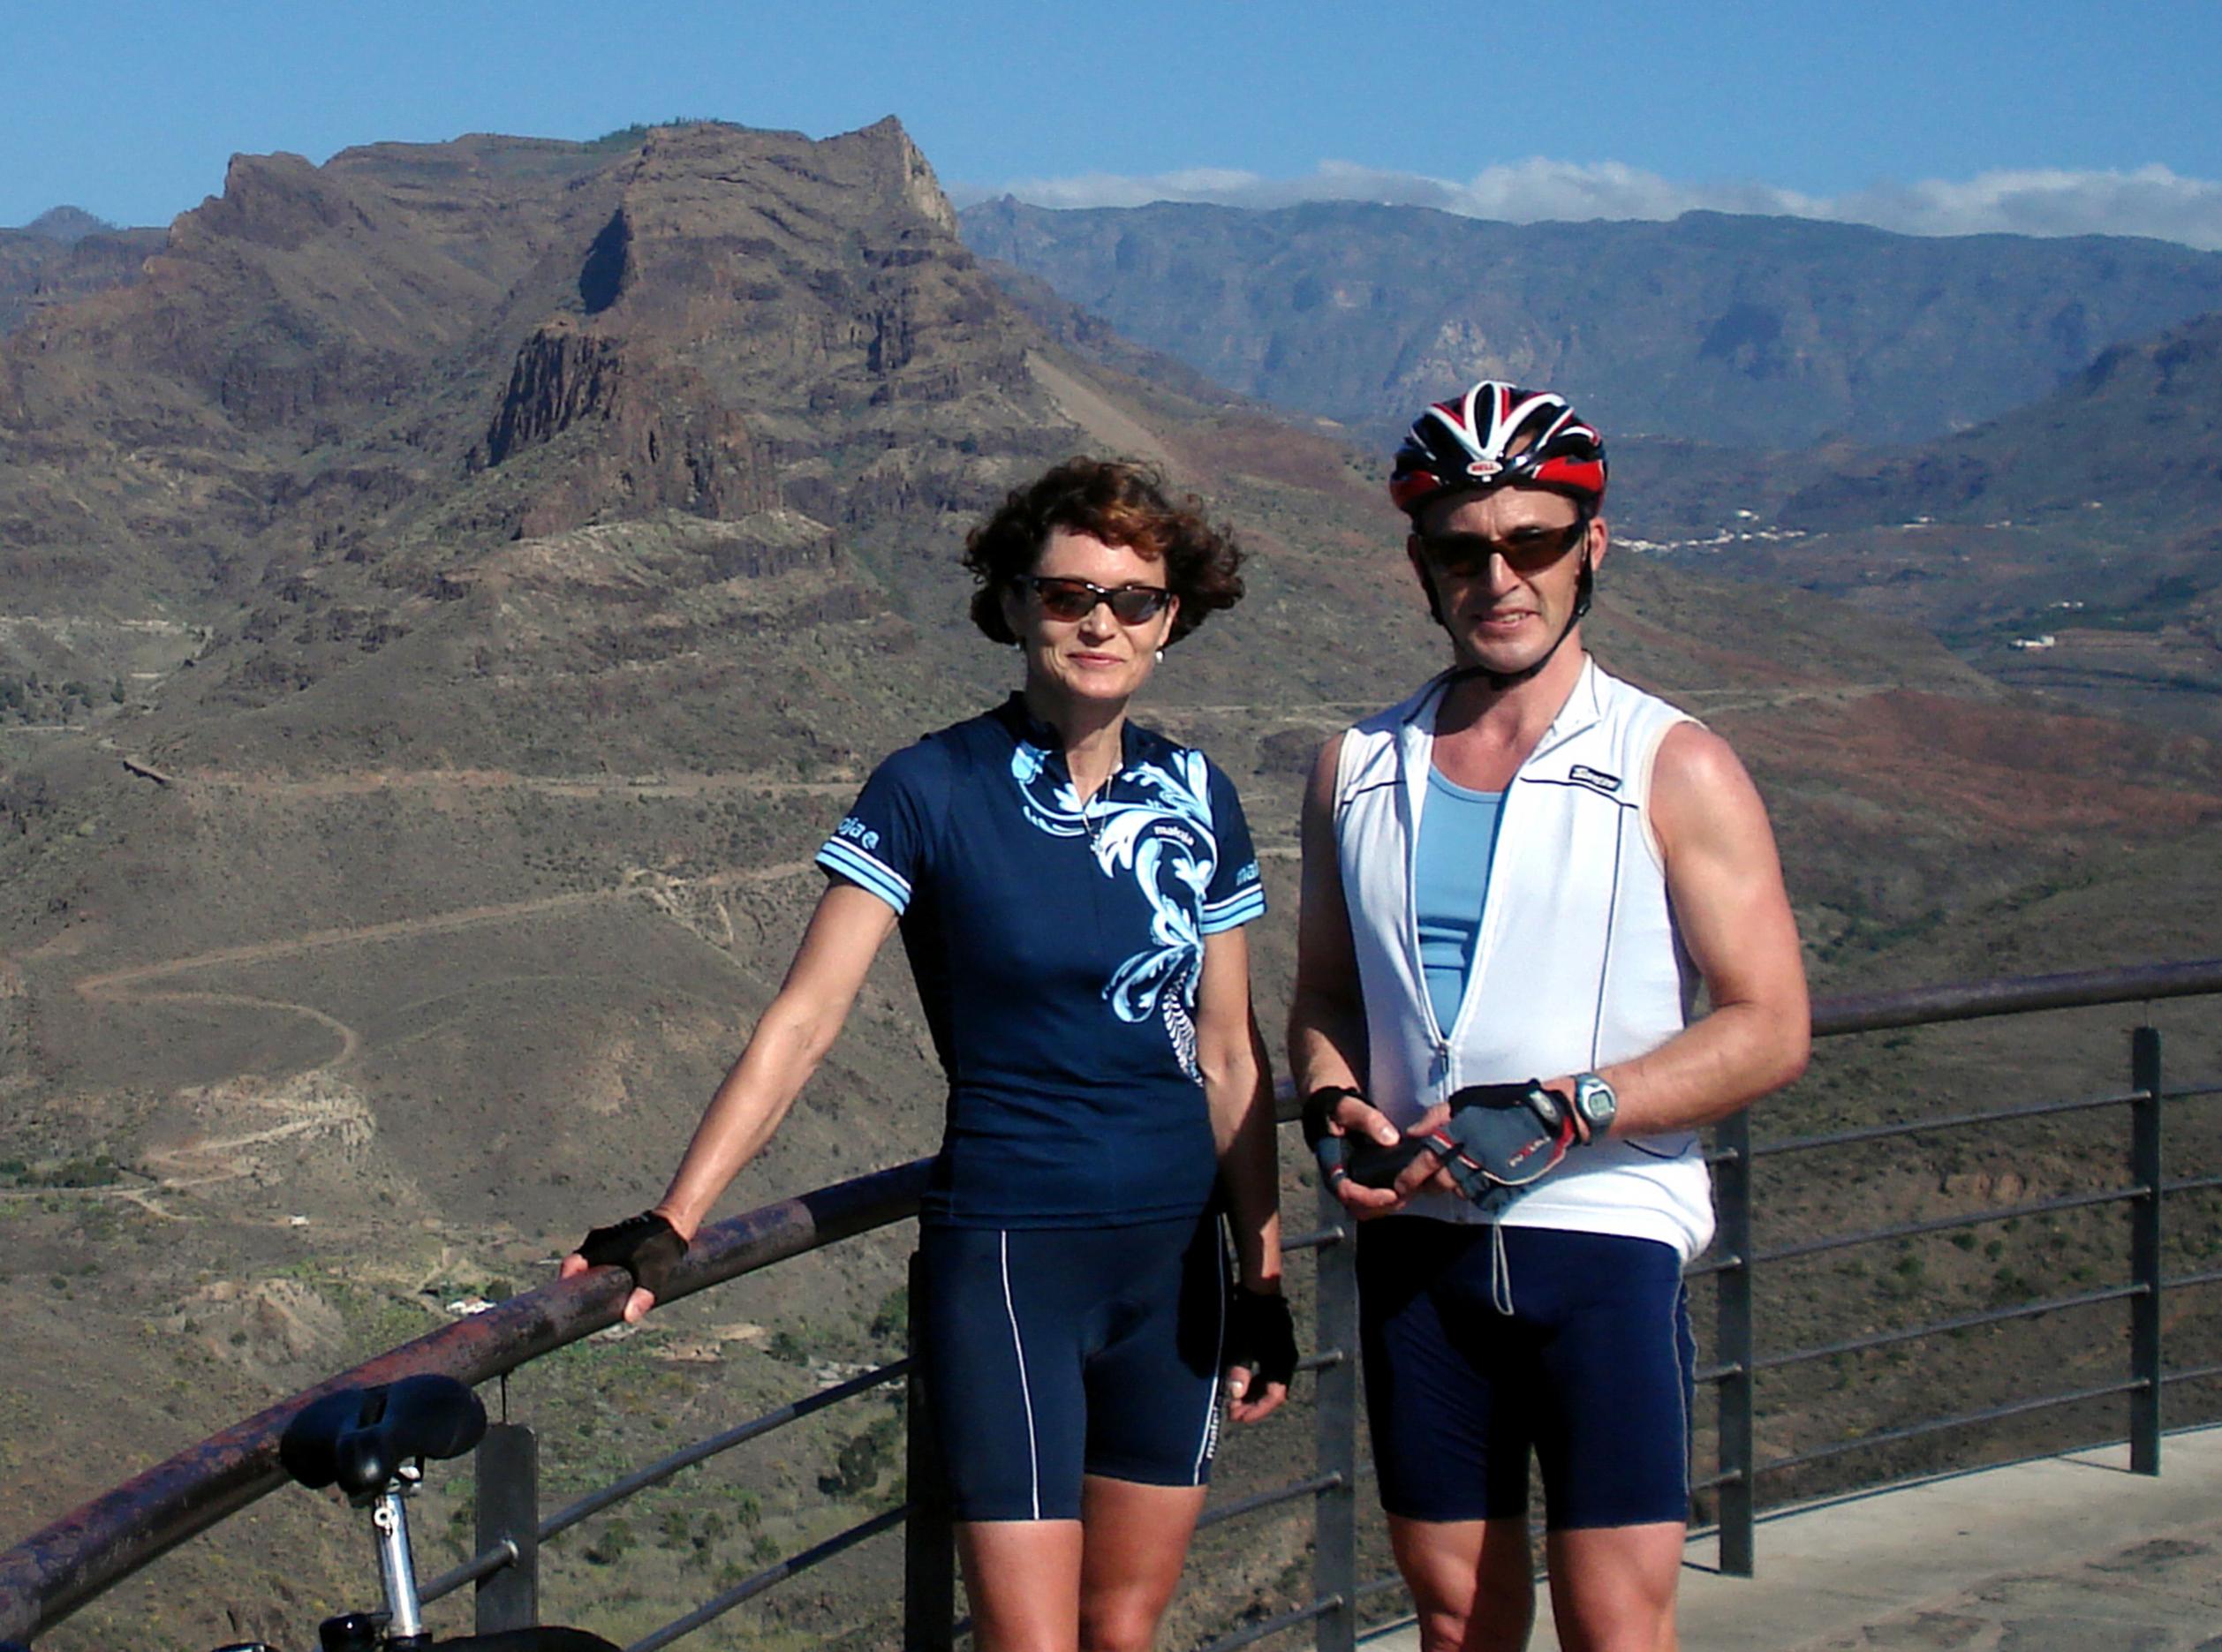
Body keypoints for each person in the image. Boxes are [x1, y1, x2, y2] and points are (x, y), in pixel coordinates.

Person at [564, 457, 1296, 1652]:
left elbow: (1230, 1053)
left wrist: (1262, 1282)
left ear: (1173, 620)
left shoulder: (1200, 794)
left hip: (1180, 1265)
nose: (1101, 623)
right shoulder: (929, 787)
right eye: (1067, 595)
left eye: (1134, 599)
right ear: (1012, 605)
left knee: (1124, 1630)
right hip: (1011, 1259)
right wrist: (676, 1217)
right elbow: (806, 1018)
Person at [1289, 383, 1810, 1652]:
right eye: (1462, 549)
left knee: (1613, 1626)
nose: (1499, 577)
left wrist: (1570, 1109)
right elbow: (1329, 992)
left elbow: (1769, 1024)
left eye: (1533, 541)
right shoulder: (1356, 767)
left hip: (1604, 1236)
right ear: (1421, 563)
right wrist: (1332, 1099)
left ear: (1593, 548)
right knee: (1455, 1619)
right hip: (1419, 1246)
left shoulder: (1671, 763)